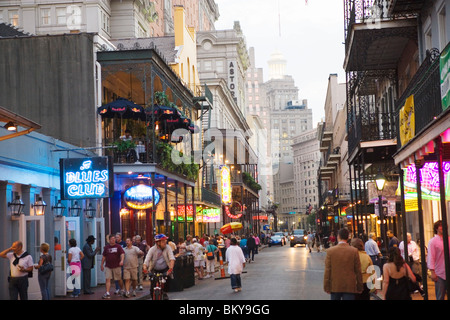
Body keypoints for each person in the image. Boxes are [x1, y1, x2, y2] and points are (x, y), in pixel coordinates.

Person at [323, 228, 363, 300]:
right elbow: (358, 270)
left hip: (335, 285)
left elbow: (328, 270)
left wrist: (326, 286)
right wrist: (360, 286)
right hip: (350, 285)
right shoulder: (354, 251)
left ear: (338, 236)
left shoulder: (330, 251)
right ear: (348, 237)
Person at [143, 234, 175, 300]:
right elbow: (146, 260)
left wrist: (170, 269)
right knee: (152, 287)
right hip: (154, 269)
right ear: (157, 242)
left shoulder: (167, 247)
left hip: (165, 269)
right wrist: (145, 269)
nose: (165, 243)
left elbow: (172, 259)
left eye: (165, 241)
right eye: (163, 241)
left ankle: (165, 292)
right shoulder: (152, 249)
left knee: (167, 282)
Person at [427, 220, 450, 300]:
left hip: (448, 271)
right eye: (440, 226)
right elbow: (431, 257)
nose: (442, 227)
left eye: (443, 225)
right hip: (439, 273)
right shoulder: (433, 241)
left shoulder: (449, 239)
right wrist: (432, 272)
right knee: (440, 296)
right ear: (436, 228)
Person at [101, 234, 125, 299]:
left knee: (119, 278)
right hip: (108, 266)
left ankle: (122, 289)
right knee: (108, 279)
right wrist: (102, 264)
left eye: (114, 239)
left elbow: (122, 254)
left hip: (117, 265)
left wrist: (122, 260)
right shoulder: (106, 247)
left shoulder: (118, 246)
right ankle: (107, 292)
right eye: (112, 239)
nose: (113, 240)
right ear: (109, 240)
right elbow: (104, 256)